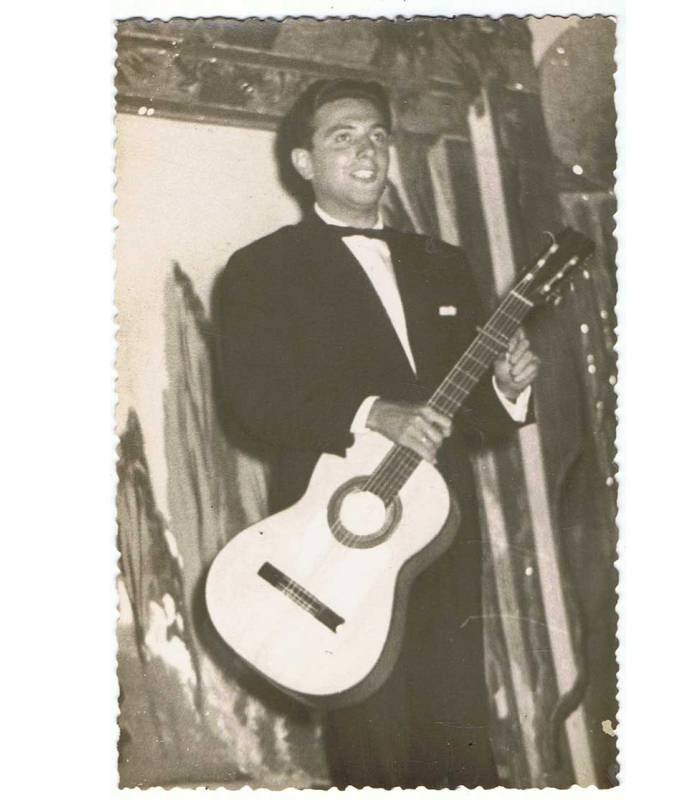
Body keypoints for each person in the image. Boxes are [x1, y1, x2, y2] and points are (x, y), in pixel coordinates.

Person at [210, 78, 540, 789]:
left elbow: (467, 414)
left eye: (377, 135)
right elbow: (253, 402)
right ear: (304, 164)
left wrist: (508, 391)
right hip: (334, 544)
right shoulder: (261, 270)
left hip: (442, 535)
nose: (367, 151)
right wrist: (370, 412)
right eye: (343, 136)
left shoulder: (442, 263)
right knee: (374, 739)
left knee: (459, 730)